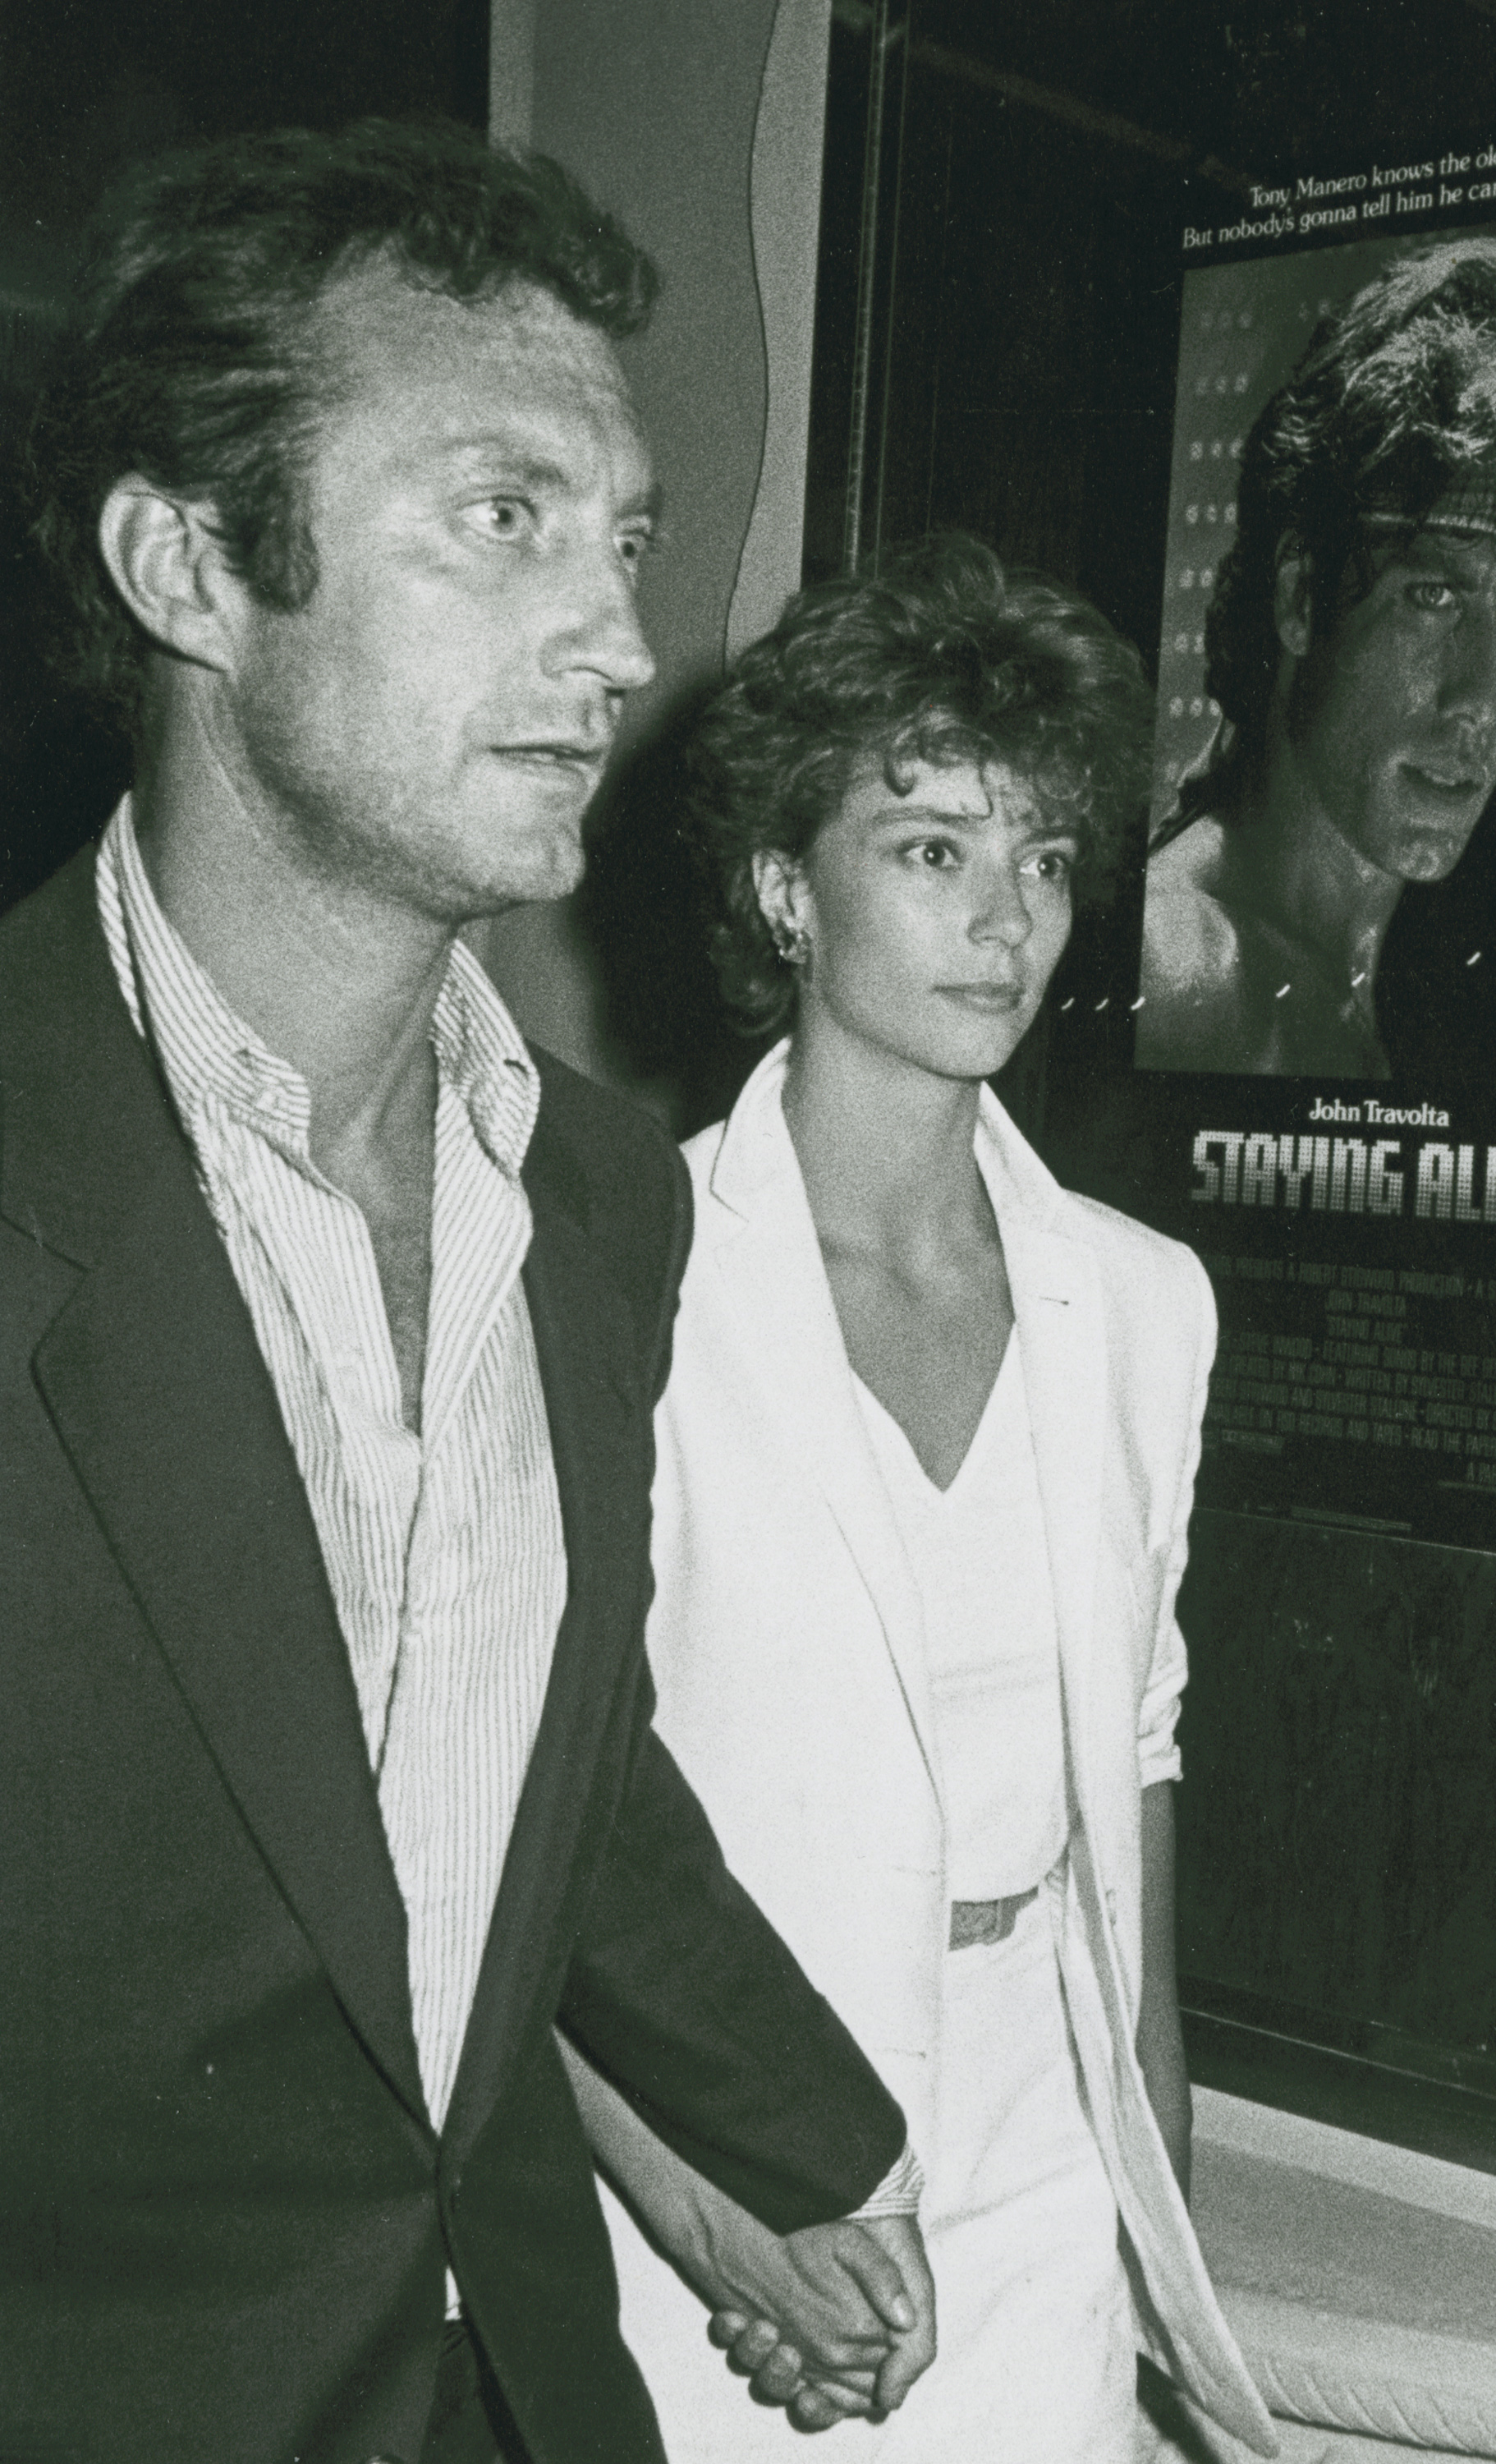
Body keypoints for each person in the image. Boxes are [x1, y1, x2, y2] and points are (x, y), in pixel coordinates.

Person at [0, 120, 936, 2464]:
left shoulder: (599, 1199)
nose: (619, 640)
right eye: (500, 517)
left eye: (618, 539)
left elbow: (522, 1756)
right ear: (192, 562)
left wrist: (796, 2168)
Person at [563, 537, 1280, 2462]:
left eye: (1043, 855)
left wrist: (1157, 2264)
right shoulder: (622, 1283)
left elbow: (1130, 1814)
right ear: (786, 889)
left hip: (1046, 2177)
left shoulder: (1139, 1303)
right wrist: (729, 2234)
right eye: (932, 848)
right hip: (722, 2168)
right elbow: (525, 1851)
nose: (1009, 920)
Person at [1137, 236, 1496, 1078]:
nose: (1479, 698)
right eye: (1433, 597)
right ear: (1302, 597)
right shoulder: (1182, 971)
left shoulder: (1399, 978)